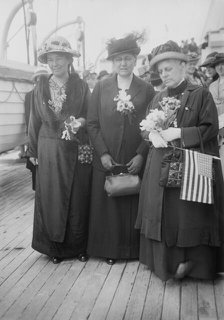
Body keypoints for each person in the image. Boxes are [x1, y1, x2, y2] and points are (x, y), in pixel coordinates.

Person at [135, 40, 224, 281]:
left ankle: (194, 266)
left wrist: (181, 134)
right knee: (163, 214)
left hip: (190, 167)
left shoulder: (200, 94)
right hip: (160, 166)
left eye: (169, 69)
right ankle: (164, 264)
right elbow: (144, 129)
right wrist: (150, 134)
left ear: (184, 67)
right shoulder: (157, 98)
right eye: (161, 71)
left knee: (188, 214)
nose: (164, 75)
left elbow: (210, 128)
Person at [87, 33, 155, 265]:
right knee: (109, 204)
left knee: (131, 203)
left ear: (135, 60)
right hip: (107, 157)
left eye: (127, 58)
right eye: (118, 60)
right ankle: (110, 250)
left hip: (133, 157)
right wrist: (103, 152)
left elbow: (153, 125)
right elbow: (92, 123)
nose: (123, 63)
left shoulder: (146, 89)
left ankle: (133, 250)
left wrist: (141, 154)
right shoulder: (102, 87)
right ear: (112, 63)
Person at [27, 36, 92, 264]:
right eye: (51, 59)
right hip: (48, 148)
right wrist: (33, 152)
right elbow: (34, 121)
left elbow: (89, 115)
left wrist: (79, 123)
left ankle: (78, 247)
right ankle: (54, 248)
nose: (54, 64)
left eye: (59, 59)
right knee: (51, 197)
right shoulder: (41, 86)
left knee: (77, 198)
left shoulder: (81, 86)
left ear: (68, 60)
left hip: (74, 147)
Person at [25, 67, 49, 191]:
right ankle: (37, 187)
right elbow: (28, 116)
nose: (40, 80)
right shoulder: (30, 95)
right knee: (35, 162)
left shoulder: (49, 93)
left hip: (45, 134)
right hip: (34, 132)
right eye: (38, 78)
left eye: (43, 78)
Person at [209, 53, 224, 175]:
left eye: (223, 64)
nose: (221, 67)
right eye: (218, 65)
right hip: (217, 129)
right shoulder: (212, 85)